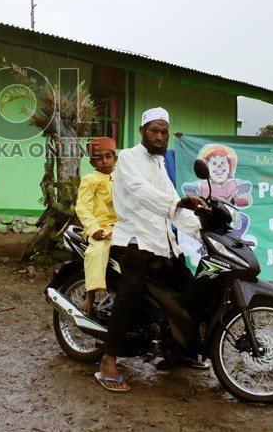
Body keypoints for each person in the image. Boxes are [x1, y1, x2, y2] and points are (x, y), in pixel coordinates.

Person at [96, 107, 208, 393]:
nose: (159, 137)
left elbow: (172, 202)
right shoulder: (129, 159)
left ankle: (179, 351)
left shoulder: (159, 163)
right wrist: (177, 204)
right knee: (129, 296)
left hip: (162, 243)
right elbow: (141, 192)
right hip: (134, 240)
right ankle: (108, 360)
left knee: (190, 290)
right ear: (142, 132)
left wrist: (202, 230)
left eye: (163, 132)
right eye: (154, 131)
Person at [74, 137, 118, 315]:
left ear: (116, 158)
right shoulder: (89, 180)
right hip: (101, 228)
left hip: (122, 226)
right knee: (96, 252)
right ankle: (90, 295)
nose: (105, 161)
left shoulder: (121, 177)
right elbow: (82, 207)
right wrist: (94, 229)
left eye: (108, 156)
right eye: (99, 158)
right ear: (92, 162)